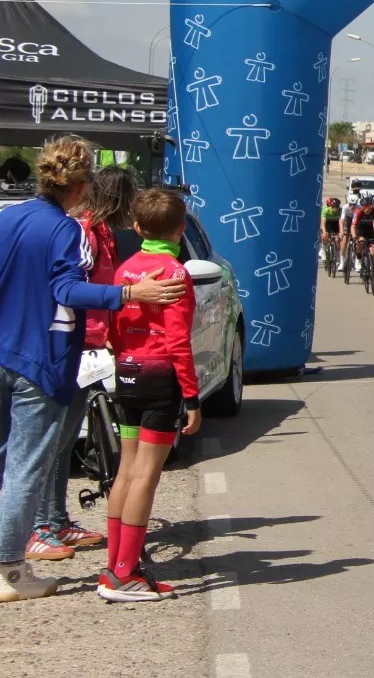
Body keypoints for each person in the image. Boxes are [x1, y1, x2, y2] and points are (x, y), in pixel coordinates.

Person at [0, 135, 184, 602]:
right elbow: (67, 290)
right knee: (27, 469)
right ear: (81, 186)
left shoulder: (10, 217)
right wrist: (127, 295)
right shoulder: (64, 229)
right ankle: (9, 571)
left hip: (4, 351)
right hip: (38, 361)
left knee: (7, 465)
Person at [99, 187, 203, 602]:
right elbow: (179, 342)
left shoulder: (125, 269)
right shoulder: (176, 273)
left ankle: (114, 565)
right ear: (180, 229)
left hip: (127, 373)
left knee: (126, 469)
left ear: (137, 227)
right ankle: (126, 574)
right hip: (161, 380)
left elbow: (111, 325)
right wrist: (192, 399)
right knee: (147, 474)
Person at [30, 166, 137, 562]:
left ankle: (57, 520)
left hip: (90, 348)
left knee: (64, 441)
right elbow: (73, 289)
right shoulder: (84, 232)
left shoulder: (103, 233)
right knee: (55, 442)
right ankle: (43, 525)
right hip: (70, 346)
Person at [319, 196, 341, 263]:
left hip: (335, 224)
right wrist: (324, 232)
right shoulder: (326, 210)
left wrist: (340, 232)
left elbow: (341, 222)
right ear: (331, 207)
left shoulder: (340, 211)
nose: (335, 209)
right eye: (333, 207)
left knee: (337, 240)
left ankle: (337, 256)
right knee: (325, 237)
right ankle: (324, 251)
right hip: (327, 223)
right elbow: (323, 223)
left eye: (336, 207)